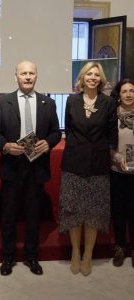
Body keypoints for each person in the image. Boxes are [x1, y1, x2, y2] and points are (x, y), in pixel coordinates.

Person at [0, 60, 61, 276]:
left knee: (33, 216)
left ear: (36, 76)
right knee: (9, 216)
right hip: (12, 167)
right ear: (16, 77)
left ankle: (32, 257)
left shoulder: (47, 103)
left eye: (31, 73)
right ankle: (8, 257)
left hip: (36, 168)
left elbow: (56, 132)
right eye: (24, 73)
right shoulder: (3, 102)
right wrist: (4, 146)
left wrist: (49, 143)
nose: (28, 77)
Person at [59, 62, 118, 276]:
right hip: (74, 162)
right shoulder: (72, 101)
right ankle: (75, 251)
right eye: (88, 74)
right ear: (82, 78)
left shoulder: (109, 102)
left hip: (98, 164)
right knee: (73, 211)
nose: (92, 77)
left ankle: (88, 254)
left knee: (93, 212)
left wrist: (114, 155)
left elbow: (112, 135)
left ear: (101, 79)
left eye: (96, 74)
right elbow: (69, 129)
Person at [110, 78, 134, 268]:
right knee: (118, 211)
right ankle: (119, 247)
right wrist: (118, 158)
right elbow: (107, 142)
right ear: (119, 95)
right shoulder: (113, 115)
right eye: (124, 91)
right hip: (116, 169)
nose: (128, 94)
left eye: (131, 91)